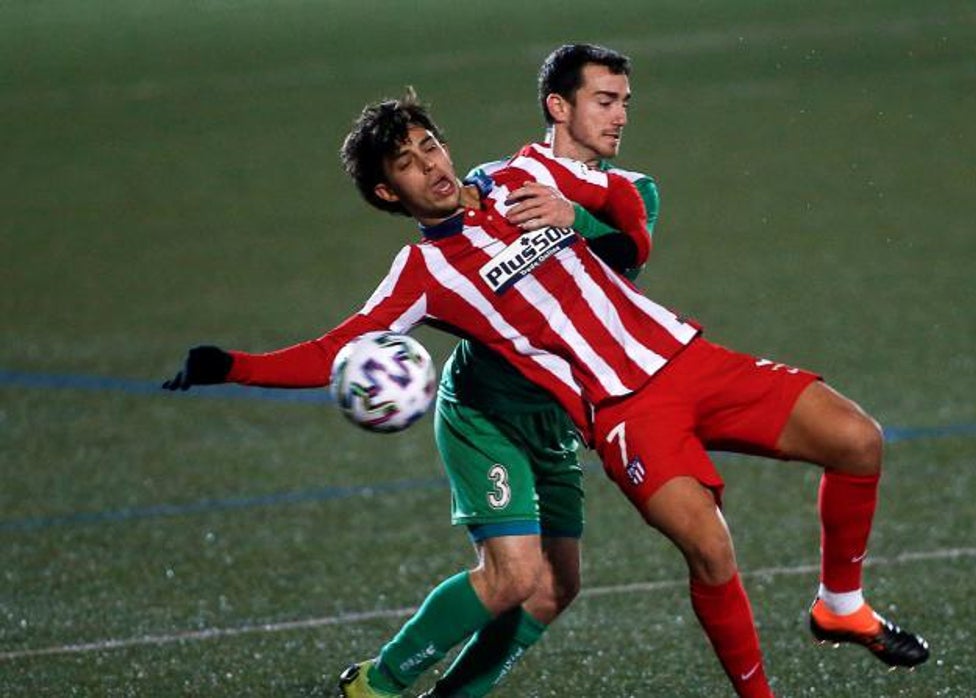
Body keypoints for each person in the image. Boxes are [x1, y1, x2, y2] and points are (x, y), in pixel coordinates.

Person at [164, 90, 928, 698]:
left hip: (691, 357)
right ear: (386, 192)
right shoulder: (423, 277)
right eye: (406, 163)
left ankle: (839, 603)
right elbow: (339, 351)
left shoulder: (519, 176)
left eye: (429, 144)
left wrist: (581, 213)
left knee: (858, 439)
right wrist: (231, 364)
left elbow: (637, 204)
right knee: (704, 550)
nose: (429, 165)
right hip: (620, 410)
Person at [357, 45, 660, 698]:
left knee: (557, 585)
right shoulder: (501, 181)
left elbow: (622, 260)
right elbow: (456, 251)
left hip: (553, 415)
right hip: (489, 408)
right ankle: (378, 685)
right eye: (605, 102)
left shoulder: (635, 194)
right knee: (512, 576)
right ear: (560, 108)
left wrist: (570, 216)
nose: (619, 118)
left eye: (624, 104)